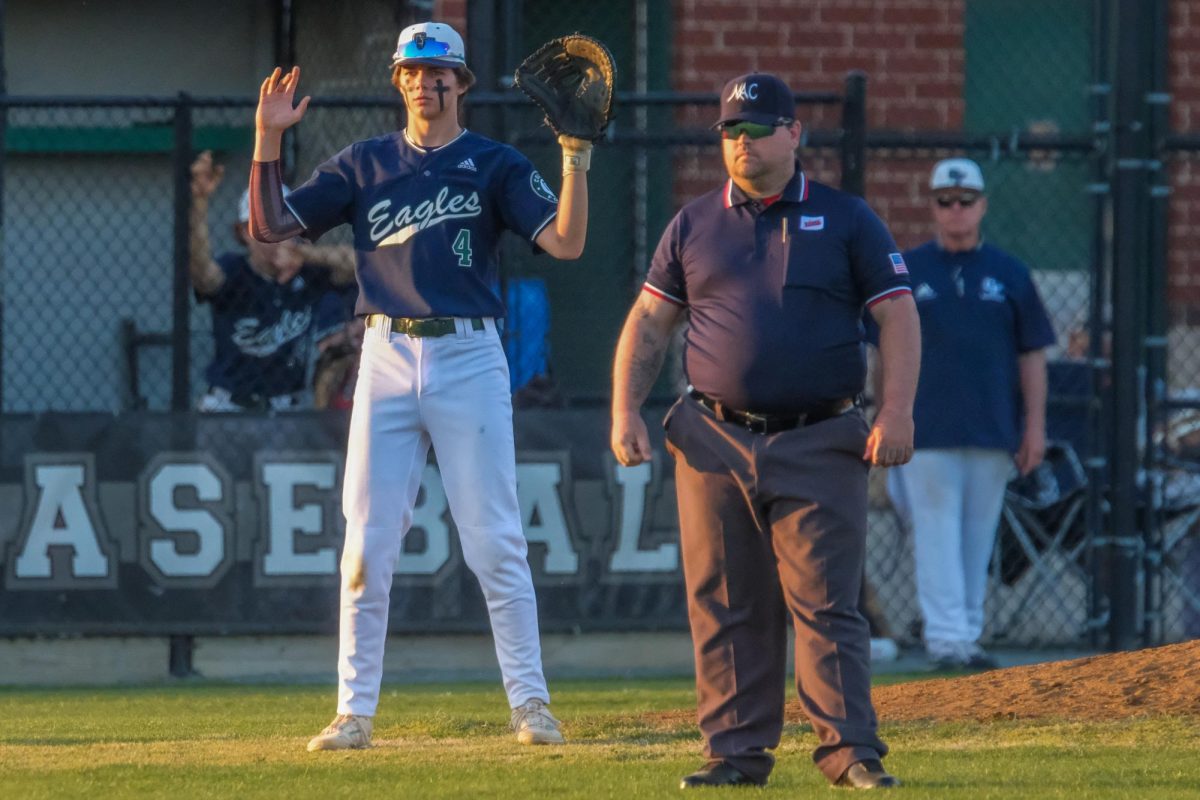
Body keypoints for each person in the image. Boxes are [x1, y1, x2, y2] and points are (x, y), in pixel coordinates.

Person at [246, 21, 592, 750]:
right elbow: (272, 226)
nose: (426, 84)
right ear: (399, 82)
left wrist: (576, 157)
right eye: (413, 71)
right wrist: (267, 139)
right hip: (386, 353)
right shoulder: (366, 163)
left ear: (460, 84)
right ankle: (353, 712)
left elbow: (565, 241)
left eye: (440, 74)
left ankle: (531, 703)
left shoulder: (492, 163)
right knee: (366, 546)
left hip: (468, 353)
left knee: (494, 541)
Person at [610, 72, 920, 790]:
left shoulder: (848, 219)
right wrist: (625, 408)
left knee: (825, 603)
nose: (742, 143)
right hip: (713, 438)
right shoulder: (692, 223)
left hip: (819, 437)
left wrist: (896, 409)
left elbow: (898, 315)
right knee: (723, 601)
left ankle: (850, 755)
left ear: (794, 135)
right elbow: (651, 321)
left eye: (757, 129)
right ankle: (734, 755)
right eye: (731, 132)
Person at [880, 158, 1055, 671]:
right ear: (932, 206)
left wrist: (1035, 426)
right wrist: (885, 414)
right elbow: (880, 349)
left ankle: (968, 634)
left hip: (993, 427)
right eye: (944, 201)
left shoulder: (1009, 273)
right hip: (925, 427)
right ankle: (947, 638)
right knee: (934, 528)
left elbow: (1033, 355)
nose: (955, 210)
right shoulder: (907, 269)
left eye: (965, 200)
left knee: (979, 534)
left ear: (982, 205)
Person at [189, 150, 355, 411]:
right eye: (260, 227)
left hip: (288, 407)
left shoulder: (309, 272)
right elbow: (202, 275)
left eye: (281, 226)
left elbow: (362, 265)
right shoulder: (235, 270)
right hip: (230, 404)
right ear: (243, 233)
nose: (272, 236)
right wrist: (198, 203)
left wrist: (304, 254)